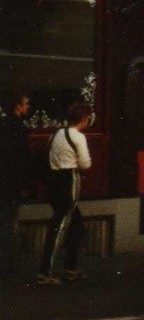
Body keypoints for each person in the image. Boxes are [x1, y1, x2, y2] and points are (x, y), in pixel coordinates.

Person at [38, 102, 92, 286]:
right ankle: (45, 272)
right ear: (84, 119)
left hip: (54, 180)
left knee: (75, 224)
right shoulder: (78, 137)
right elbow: (85, 164)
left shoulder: (55, 134)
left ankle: (72, 268)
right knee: (61, 225)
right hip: (69, 179)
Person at [0, 92, 31, 274]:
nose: (28, 107)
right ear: (17, 106)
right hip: (12, 182)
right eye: (26, 104)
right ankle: (8, 262)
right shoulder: (18, 128)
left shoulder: (3, 125)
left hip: (3, 180)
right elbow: (19, 159)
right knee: (10, 220)